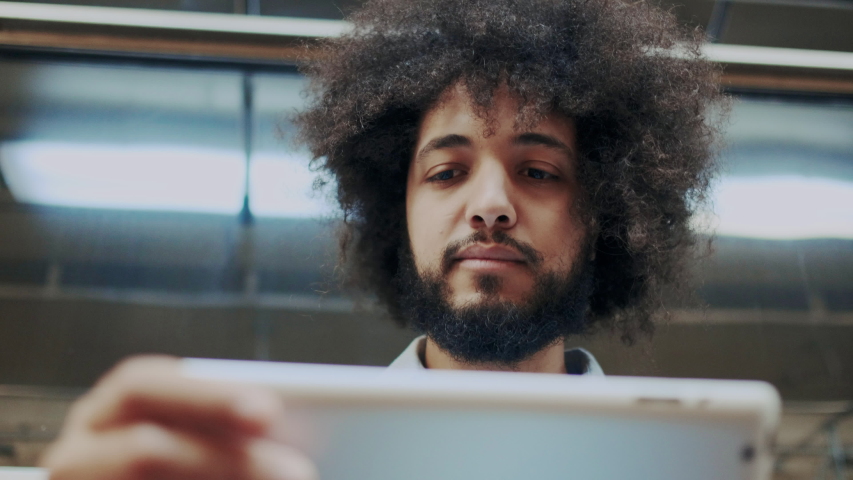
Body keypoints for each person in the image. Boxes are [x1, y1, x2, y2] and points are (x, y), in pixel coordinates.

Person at [40, 0, 722, 478]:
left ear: (604, 213)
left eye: (537, 171)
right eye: (446, 172)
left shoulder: (690, 466)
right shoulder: (284, 460)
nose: (489, 207)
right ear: (396, 213)